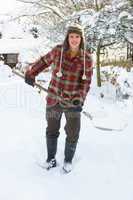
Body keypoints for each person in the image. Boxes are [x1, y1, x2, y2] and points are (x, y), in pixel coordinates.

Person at [25, 24, 93, 173]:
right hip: (53, 99)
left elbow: (86, 82)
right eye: (71, 36)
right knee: (52, 129)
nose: (74, 39)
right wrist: (31, 74)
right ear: (67, 38)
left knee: (73, 131)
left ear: (81, 39)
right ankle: (51, 159)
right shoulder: (58, 51)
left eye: (77, 37)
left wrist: (79, 100)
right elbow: (43, 62)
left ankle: (68, 160)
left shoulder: (86, 58)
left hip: (72, 102)